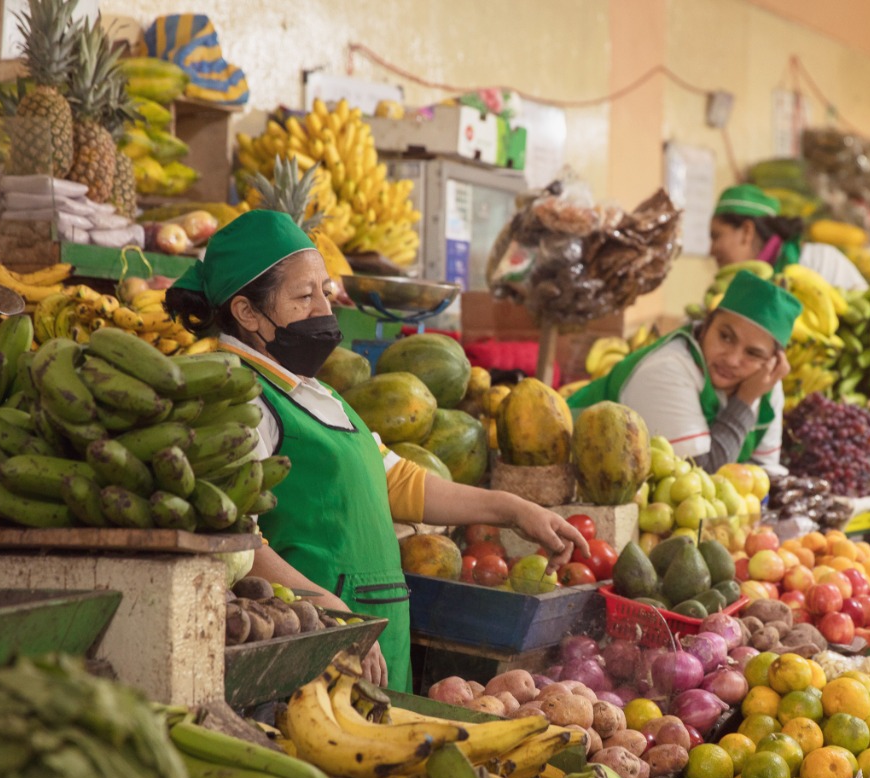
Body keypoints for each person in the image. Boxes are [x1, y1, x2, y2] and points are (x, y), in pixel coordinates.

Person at [166, 211, 587, 692]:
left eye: (324, 292)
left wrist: (512, 508)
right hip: (315, 643)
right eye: (304, 297)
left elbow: (396, 482)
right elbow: (235, 541)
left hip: (374, 633)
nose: (324, 311)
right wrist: (331, 612)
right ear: (246, 312)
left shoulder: (314, 392)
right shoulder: (238, 397)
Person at [567, 271, 801, 475]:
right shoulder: (667, 369)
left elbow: (762, 472)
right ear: (706, 325)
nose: (732, 359)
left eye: (753, 353)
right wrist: (744, 401)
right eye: (725, 336)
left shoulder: (765, 381)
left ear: (774, 362)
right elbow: (699, 474)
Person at [709, 184, 867, 290]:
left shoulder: (819, 261)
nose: (711, 250)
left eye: (716, 236)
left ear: (747, 231)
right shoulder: (727, 291)